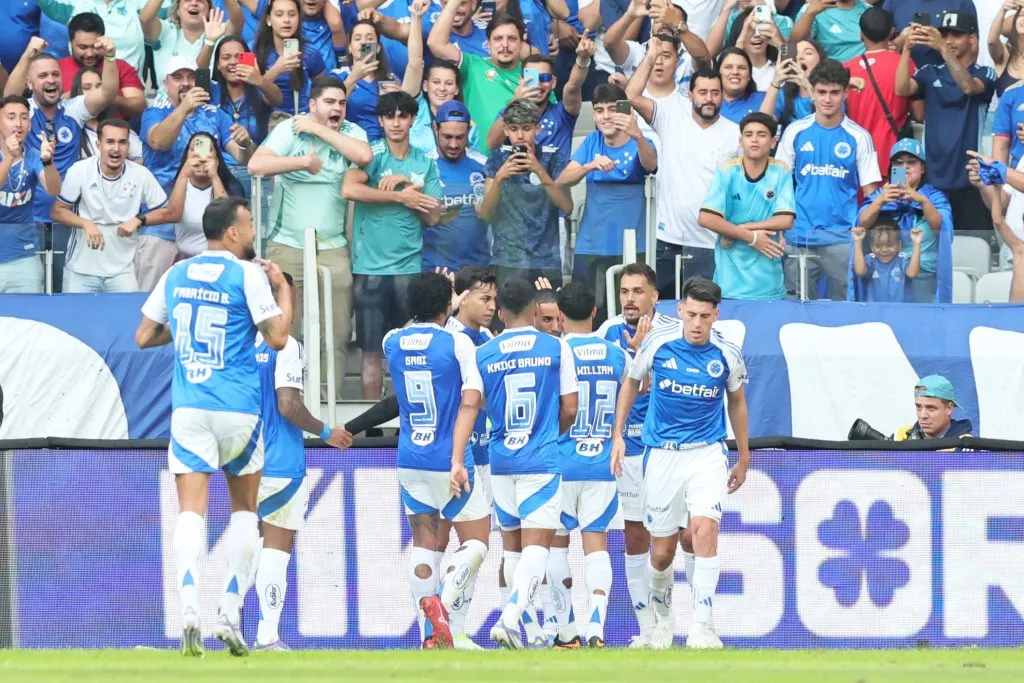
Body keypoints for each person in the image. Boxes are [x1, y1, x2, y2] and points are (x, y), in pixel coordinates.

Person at [134, 197, 293, 657]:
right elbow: (278, 338)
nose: (251, 231)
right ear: (232, 232)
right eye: (247, 224)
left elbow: (143, 336)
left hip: (190, 407)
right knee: (245, 511)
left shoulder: (176, 273)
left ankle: (188, 609)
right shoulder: (247, 274)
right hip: (238, 408)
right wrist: (281, 288)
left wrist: (182, 333)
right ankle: (227, 610)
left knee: (190, 511)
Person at [611, 276, 750, 650]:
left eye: (705, 316)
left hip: (707, 452)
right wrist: (618, 435)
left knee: (703, 531)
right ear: (680, 311)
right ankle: (663, 621)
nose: (697, 323)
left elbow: (736, 401)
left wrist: (743, 454)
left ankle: (702, 627)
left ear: (716, 314)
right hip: (662, 456)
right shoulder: (657, 343)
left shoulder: (727, 354)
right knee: (662, 551)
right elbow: (631, 382)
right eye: (691, 314)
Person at [383, 271, 490, 650]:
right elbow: (471, 401)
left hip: (410, 458)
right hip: (447, 458)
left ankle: (430, 637)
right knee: (477, 543)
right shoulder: (458, 343)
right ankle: (441, 605)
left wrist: (442, 299)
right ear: (449, 305)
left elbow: (416, 332)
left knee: (425, 545)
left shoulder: (391, 341)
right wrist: (459, 459)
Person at [249, 74, 372, 401]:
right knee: (293, 329)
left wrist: (319, 129)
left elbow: (364, 157)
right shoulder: (289, 129)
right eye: (330, 102)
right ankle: (293, 399)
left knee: (338, 332)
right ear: (312, 104)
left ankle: (329, 399)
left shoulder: (351, 131)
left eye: (342, 103)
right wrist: (302, 161)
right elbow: (256, 165)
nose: (338, 108)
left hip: (334, 247)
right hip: (287, 245)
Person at [252, 271, 352, 651]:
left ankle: (225, 618)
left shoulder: (235, 343)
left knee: (246, 546)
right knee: (276, 550)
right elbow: (288, 404)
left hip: (242, 463)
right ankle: (266, 636)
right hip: (279, 461)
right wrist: (326, 432)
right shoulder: (286, 346)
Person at [476, 278, 578, 650]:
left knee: (513, 549)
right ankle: (509, 619)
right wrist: (547, 431)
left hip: (501, 459)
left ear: (500, 313)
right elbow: (570, 408)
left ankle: (522, 628)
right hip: (541, 458)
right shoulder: (555, 348)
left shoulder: (485, 353)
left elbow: (482, 404)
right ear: (536, 311)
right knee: (539, 546)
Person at [595, 262, 678, 648]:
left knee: (673, 538)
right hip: (626, 448)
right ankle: (647, 629)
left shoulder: (673, 334)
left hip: (664, 449)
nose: (629, 298)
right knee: (634, 536)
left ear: (654, 297)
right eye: (625, 291)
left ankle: (683, 622)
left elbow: (667, 388)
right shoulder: (607, 332)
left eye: (637, 291)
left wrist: (640, 356)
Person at [543, 281, 628, 649]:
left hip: (560, 463)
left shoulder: (553, 352)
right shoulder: (615, 353)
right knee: (597, 547)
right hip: (601, 463)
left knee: (556, 548)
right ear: (596, 312)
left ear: (559, 316)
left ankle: (566, 630)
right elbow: (638, 389)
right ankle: (596, 627)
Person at [342, 90, 442, 400]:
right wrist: (401, 195)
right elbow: (348, 189)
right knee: (371, 352)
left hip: (409, 271)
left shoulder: (424, 163)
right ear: (381, 121)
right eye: (389, 116)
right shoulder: (371, 155)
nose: (396, 123)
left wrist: (404, 186)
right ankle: (373, 425)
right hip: (369, 270)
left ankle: (407, 420)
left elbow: (435, 216)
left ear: (413, 119)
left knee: (408, 352)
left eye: (402, 116)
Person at [4, 36, 119, 293]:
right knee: (29, 291)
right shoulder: (24, 112)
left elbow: (108, 93)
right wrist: (27, 55)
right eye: (43, 75)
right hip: (27, 221)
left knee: (60, 290)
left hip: (65, 219)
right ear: (29, 83)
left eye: (55, 74)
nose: (51, 80)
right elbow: (9, 97)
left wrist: (110, 58)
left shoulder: (73, 109)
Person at [626, 50, 741, 295]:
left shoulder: (736, 134)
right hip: (668, 241)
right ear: (690, 95)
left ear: (722, 96)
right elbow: (631, 95)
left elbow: (740, 188)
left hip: (711, 244)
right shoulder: (669, 117)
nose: (709, 99)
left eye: (715, 93)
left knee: (702, 312)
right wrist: (650, 56)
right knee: (662, 311)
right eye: (702, 92)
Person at [142, 55, 256, 291]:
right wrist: (184, 108)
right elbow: (159, 142)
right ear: (166, 83)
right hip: (160, 225)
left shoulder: (215, 114)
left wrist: (246, 143)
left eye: (191, 77)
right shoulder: (154, 112)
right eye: (178, 77)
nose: (185, 83)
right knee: (150, 296)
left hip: (201, 227)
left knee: (202, 295)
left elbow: (243, 158)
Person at [776, 58, 881, 300]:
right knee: (796, 309)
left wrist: (859, 234)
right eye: (821, 92)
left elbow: (872, 194)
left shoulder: (859, 137)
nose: (827, 99)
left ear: (846, 92)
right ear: (811, 91)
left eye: (834, 92)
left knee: (844, 311)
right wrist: (781, 226)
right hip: (798, 236)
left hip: (842, 239)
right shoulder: (795, 131)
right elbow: (779, 183)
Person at [557, 83, 657, 320]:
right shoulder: (592, 141)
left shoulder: (640, 141)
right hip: (591, 243)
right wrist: (590, 165)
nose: (606, 116)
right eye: (600, 110)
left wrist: (638, 136)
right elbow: (562, 180)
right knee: (587, 312)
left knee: (630, 314)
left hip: (632, 244)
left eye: (613, 109)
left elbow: (651, 164)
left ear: (626, 112)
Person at [52, 120, 185, 293]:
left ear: (129, 145)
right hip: (80, 270)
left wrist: (139, 220)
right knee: (73, 319)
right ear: (98, 144)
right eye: (110, 142)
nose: (116, 148)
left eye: (122, 142)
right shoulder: (80, 170)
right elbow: (57, 210)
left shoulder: (140, 174)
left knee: (127, 319)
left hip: (123, 271)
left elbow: (170, 213)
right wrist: (86, 223)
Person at [896, 10, 996, 233]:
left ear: (973, 39)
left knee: (973, 249)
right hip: (933, 178)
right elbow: (901, 89)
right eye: (945, 34)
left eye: (956, 35)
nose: (949, 40)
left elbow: (968, 87)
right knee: (934, 246)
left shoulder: (985, 72)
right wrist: (906, 50)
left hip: (972, 178)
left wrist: (941, 47)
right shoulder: (930, 71)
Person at [441, 265, 496, 649]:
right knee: (452, 543)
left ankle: (452, 629)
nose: (492, 305)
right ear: (462, 298)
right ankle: (444, 622)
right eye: (484, 297)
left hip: (483, 452)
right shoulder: (450, 338)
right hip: (455, 456)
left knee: (467, 548)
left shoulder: (488, 337)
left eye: (494, 298)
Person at [699, 112, 795, 301]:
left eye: (761, 134)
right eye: (749, 134)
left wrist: (741, 229)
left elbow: (785, 220)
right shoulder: (727, 171)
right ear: (740, 141)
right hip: (728, 287)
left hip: (769, 287)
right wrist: (751, 238)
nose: (754, 140)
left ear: (773, 142)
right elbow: (705, 218)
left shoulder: (781, 171)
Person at [480, 99, 572, 287]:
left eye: (526, 128)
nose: (520, 136)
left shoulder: (553, 157)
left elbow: (567, 206)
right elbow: (485, 213)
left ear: (537, 129)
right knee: (506, 316)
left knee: (547, 316)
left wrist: (539, 170)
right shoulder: (497, 158)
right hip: (506, 259)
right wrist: (499, 179)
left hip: (546, 260)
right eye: (513, 129)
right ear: (505, 130)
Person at [857, 137, 953, 303]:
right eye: (898, 163)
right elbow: (861, 225)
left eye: (911, 162)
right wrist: (879, 201)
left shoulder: (934, 197)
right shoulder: (879, 195)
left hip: (922, 275)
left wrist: (921, 201)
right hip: (882, 274)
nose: (905, 167)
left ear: (922, 168)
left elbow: (942, 228)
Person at [200, 32, 283, 221]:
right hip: (222, 175)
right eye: (226, 58)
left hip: (258, 172)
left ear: (249, 59)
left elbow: (278, 98)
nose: (233, 62)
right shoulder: (210, 91)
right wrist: (209, 41)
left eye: (239, 57)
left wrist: (259, 80)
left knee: (260, 234)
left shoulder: (259, 89)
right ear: (218, 65)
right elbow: (201, 70)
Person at [428, 11, 530, 154]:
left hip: (521, 162)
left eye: (512, 39)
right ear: (488, 44)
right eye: (498, 39)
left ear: (521, 43)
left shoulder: (531, 75)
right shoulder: (473, 65)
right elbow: (435, 43)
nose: (505, 45)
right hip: (476, 164)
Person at [332, 2, 427, 140]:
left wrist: (400, 98)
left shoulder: (389, 79)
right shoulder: (338, 76)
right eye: (357, 38)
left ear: (378, 48)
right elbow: (329, 110)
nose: (364, 42)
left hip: (384, 149)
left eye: (369, 38)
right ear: (350, 48)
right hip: (350, 146)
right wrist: (353, 78)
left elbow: (415, 64)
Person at [844, 8, 917, 180]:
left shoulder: (845, 69)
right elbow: (919, 112)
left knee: (864, 205)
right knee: (897, 201)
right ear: (892, 31)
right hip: (896, 158)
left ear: (861, 34)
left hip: (856, 158)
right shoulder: (906, 64)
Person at [483, 44, 590, 155]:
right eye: (532, 79)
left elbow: (573, 86)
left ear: (553, 82)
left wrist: (583, 59)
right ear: (521, 81)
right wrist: (514, 102)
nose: (538, 85)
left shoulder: (563, 113)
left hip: (556, 172)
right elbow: (492, 144)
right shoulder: (507, 112)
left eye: (544, 78)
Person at [0, 96, 60, 294]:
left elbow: (54, 190)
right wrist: (9, 157)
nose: (18, 124)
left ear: (30, 124)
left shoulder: (33, 155)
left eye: (24, 117)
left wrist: (47, 161)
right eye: (11, 117)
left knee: (26, 320)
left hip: (24, 256)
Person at [423, 101, 490, 272]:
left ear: (468, 131)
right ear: (435, 129)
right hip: (433, 269)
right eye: (447, 137)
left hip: (477, 271)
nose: (453, 145)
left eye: (460, 137)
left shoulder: (484, 166)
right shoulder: (422, 166)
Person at [58, 12, 147, 119]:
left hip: (115, 132)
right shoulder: (57, 68)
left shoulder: (120, 66)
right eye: (83, 47)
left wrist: (108, 96)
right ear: (71, 43)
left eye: (95, 46)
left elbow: (140, 107)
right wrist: (78, 96)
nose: (90, 54)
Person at [173, 132, 246, 258]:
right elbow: (171, 214)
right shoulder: (177, 185)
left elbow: (229, 220)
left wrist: (214, 176)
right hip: (186, 257)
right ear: (186, 157)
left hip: (221, 258)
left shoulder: (232, 186)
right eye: (194, 150)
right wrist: (184, 174)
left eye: (208, 151)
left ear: (217, 159)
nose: (201, 158)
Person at [142, 0, 245, 87]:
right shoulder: (165, 31)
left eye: (201, 0)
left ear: (209, 11)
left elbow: (237, 20)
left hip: (209, 106)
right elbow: (145, 19)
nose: (194, 3)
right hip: (167, 106)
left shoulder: (217, 30)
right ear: (177, 10)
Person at [36, 0, 151, 75]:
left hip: (129, 90)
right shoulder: (72, 3)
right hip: (83, 90)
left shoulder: (140, 3)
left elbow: (162, 18)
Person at [254, 0, 328, 114]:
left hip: (302, 120)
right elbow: (251, 94)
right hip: (266, 121)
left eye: (292, 14)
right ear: (268, 20)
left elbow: (322, 90)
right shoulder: (255, 51)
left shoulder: (310, 52)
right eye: (279, 15)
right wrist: (276, 70)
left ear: (299, 19)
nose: (286, 20)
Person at [70, 68, 144, 162]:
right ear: (77, 93)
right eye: (87, 88)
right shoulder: (68, 128)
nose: (95, 92)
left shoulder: (117, 126)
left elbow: (143, 158)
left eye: (99, 87)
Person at [410, 59, 481, 154]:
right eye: (436, 82)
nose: (442, 88)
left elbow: (472, 162)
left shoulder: (469, 126)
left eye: (449, 83)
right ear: (426, 86)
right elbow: (414, 64)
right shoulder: (414, 110)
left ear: (456, 89)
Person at [884, 0, 980, 68]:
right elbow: (877, 48)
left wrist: (940, 44)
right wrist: (899, 42)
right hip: (903, 80)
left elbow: (972, 49)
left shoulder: (962, 3)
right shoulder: (893, 2)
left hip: (947, 84)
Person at [850, 221, 923, 302]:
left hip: (901, 309)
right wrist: (857, 241)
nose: (884, 250)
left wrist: (917, 243)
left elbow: (912, 273)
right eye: (878, 246)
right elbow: (860, 271)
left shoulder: (902, 258)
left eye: (890, 245)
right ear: (871, 246)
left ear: (899, 245)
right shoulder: (871, 259)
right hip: (876, 309)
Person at [762, 40, 824, 132]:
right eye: (796, 53)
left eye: (808, 53)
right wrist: (775, 82)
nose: (800, 57)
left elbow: (829, 121)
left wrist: (807, 85)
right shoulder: (784, 94)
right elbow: (762, 124)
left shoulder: (831, 91)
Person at [895, 375, 973, 440]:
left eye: (931, 408)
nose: (922, 415)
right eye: (919, 407)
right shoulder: (901, 438)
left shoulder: (965, 446)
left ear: (949, 408)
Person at [791, 0, 871, 62]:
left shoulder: (869, 10)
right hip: (830, 76)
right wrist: (810, 13)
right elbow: (791, 46)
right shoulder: (811, 8)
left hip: (866, 71)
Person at [715, 47, 766, 123]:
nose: (735, 72)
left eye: (741, 68)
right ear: (718, 73)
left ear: (749, 75)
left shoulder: (765, 99)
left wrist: (781, 44)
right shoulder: (708, 101)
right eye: (728, 67)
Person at [988, 1, 1024, 94]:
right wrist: (1003, 10)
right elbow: (992, 42)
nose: (1023, 19)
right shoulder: (1006, 54)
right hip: (1005, 108)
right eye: (1020, 15)